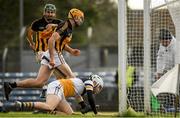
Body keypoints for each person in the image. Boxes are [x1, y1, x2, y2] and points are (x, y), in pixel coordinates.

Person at [4, 8, 84, 101]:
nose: (81, 20)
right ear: (74, 17)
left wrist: (71, 51)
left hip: (51, 53)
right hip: (54, 54)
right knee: (72, 78)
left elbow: (59, 42)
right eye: (80, 18)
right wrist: (53, 59)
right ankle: (80, 105)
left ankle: (11, 85)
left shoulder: (67, 26)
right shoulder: (66, 26)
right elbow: (51, 40)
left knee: (39, 82)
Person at [3, 74, 103, 115]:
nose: (98, 89)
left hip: (60, 90)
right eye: (99, 87)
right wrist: (95, 111)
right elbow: (90, 97)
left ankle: (45, 112)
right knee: (50, 106)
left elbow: (77, 96)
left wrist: (84, 107)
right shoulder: (89, 82)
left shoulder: (82, 85)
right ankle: (22, 105)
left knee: (70, 114)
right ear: (95, 82)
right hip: (58, 87)